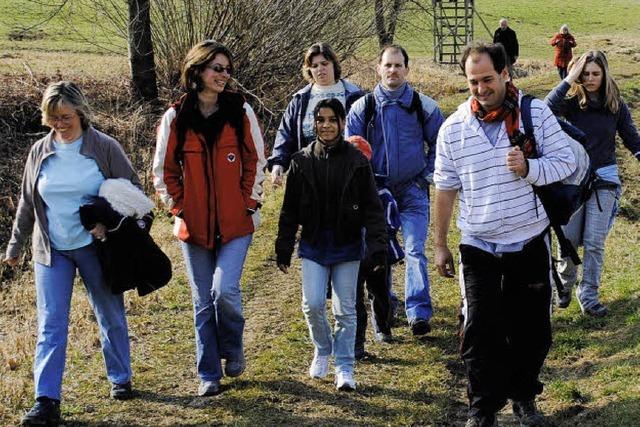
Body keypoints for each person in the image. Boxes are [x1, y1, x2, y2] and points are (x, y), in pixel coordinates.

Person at [433, 42, 576, 427]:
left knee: (532, 330)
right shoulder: (453, 128)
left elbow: (565, 162)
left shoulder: (535, 113)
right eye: (473, 82)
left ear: (505, 74)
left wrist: (529, 167)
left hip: (528, 239)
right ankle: (482, 409)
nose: (480, 88)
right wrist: (441, 244)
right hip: (477, 243)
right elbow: (445, 189)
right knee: (479, 328)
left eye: (487, 79)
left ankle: (525, 397)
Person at [4, 81, 139, 426]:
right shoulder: (39, 150)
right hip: (51, 249)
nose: (59, 124)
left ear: (80, 112)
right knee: (50, 324)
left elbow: (133, 191)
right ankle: (46, 400)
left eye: (65, 117)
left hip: (96, 247)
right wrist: (14, 246)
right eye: (52, 118)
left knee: (108, 312)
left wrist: (108, 223)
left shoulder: (104, 147)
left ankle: (120, 378)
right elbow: (27, 201)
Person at [153, 40, 266, 396]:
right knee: (202, 302)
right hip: (195, 226)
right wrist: (181, 208)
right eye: (217, 68)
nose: (224, 75)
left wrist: (249, 202)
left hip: (236, 224)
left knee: (225, 291)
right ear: (198, 70)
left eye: (227, 69)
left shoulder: (240, 111)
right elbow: (163, 171)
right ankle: (208, 374)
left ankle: (232, 347)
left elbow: (255, 160)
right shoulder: (176, 116)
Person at [275, 98, 387, 391]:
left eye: (332, 120)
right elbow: (290, 209)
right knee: (312, 304)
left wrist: (377, 246)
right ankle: (323, 348)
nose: (326, 126)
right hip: (314, 244)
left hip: (347, 244)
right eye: (320, 120)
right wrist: (284, 245)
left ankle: (345, 365)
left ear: (341, 122)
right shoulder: (301, 161)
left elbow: (373, 209)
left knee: (345, 309)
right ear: (314, 124)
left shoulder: (357, 161)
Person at [345, 44, 444, 336]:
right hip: (377, 193)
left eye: (398, 65)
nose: (393, 70)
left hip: (413, 188)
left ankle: (418, 313)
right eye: (388, 65)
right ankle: (385, 309)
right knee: (380, 254)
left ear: (407, 70)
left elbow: (441, 143)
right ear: (379, 69)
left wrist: (427, 172)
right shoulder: (363, 108)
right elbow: (351, 151)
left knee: (415, 250)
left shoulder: (424, 105)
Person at [545, 50, 640, 316]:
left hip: (605, 179)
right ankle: (564, 285)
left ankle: (588, 295)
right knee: (569, 240)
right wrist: (569, 78)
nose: (590, 78)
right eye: (585, 74)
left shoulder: (615, 105)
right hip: (573, 178)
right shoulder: (571, 101)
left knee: (595, 241)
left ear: (605, 73)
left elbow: (632, 139)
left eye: (595, 73)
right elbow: (544, 110)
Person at [267, 42, 366, 185]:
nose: (320, 69)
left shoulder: (355, 96)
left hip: (347, 176)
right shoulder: (300, 100)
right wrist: (278, 163)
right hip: (308, 176)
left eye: (324, 63)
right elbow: (285, 134)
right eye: (314, 66)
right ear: (309, 70)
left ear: (334, 64)